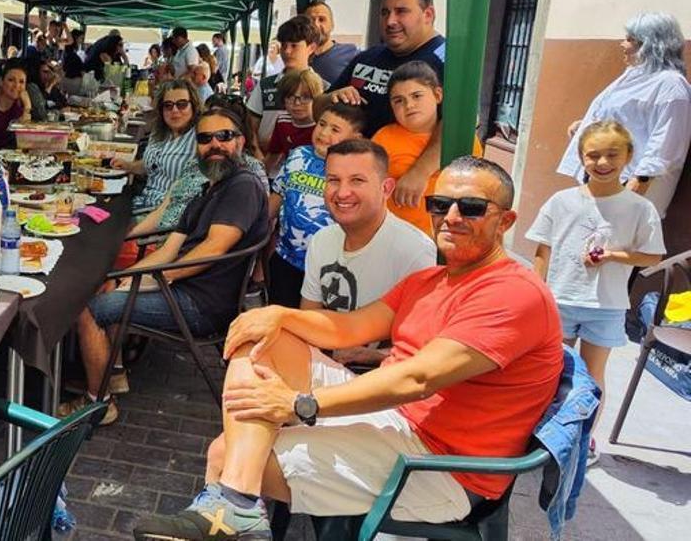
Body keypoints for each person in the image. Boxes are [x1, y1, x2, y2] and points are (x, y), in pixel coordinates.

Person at [134, 156, 563, 540]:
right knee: (261, 335)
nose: (450, 217)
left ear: (505, 221)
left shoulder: (513, 293)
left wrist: (301, 405)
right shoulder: (432, 279)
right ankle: (239, 510)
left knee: (228, 453)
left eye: (469, 207)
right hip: (399, 422)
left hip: (442, 465)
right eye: (439, 204)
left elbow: (418, 378)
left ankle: (236, 509)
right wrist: (278, 316)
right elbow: (348, 328)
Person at [59, 107, 270, 424]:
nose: (214, 144)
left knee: (90, 310)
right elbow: (171, 247)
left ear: (240, 141)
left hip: (202, 306)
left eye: (223, 136)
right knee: (107, 284)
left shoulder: (242, 186)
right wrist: (130, 278)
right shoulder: (206, 188)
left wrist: (156, 279)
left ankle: (99, 404)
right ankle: (112, 373)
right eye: (204, 138)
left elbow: (213, 248)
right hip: (186, 291)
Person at [529, 121, 663, 461]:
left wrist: (614, 256)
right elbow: (542, 250)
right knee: (549, 371)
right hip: (559, 300)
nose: (602, 162)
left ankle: (583, 437)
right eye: (593, 155)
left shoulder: (639, 208)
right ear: (581, 158)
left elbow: (652, 254)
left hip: (606, 305)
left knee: (591, 376)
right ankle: (541, 430)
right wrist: (538, 292)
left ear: (629, 156)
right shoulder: (561, 201)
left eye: (612, 154)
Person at [301, 139, 436, 367]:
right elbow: (308, 320)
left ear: (386, 189)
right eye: (333, 180)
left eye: (357, 181)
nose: (342, 193)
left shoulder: (415, 251)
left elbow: (428, 346)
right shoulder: (321, 241)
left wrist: (374, 356)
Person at [323, 0, 446, 213]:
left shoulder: (446, 60)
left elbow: (459, 121)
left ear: (428, 14)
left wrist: (420, 170)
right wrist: (331, 98)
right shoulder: (368, 56)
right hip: (352, 186)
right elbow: (319, 106)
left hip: (404, 200)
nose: (390, 21)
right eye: (385, 12)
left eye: (401, 12)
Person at [557, 12, 691, 218]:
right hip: (606, 179)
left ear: (651, 45)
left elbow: (665, 146)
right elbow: (625, 118)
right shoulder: (635, 75)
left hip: (631, 187)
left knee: (618, 247)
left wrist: (633, 189)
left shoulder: (671, 86)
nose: (623, 44)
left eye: (630, 40)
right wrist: (585, 126)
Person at [268, 103, 365, 307]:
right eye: (321, 124)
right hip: (286, 258)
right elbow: (277, 196)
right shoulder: (297, 155)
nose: (323, 132)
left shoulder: (355, 171)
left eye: (335, 129)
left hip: (332, 266)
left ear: (356, 138)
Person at [131, 95, 268, 238]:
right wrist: (130, 236)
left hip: (173, 245)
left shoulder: (251, 173)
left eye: (223, 134)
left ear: (239, 136)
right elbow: (165, 208)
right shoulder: (197, 164)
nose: (214, 142)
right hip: (157, 237)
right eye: (206, 135)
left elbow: (253, 227)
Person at [374, 61, 482, 236]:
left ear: (438, 95)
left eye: (417, 96)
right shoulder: (384, 139)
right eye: (398, 101)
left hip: (446, 240)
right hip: (393, 237)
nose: (409, 105)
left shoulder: (465, 140)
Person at [112, 79, 200, 215]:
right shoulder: (160, 132)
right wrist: (128, 166)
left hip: (165, 216)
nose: (175, 110)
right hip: (142, 202)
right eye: (168, 105)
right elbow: (152, 165)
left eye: (182, 104)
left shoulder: (200, 138)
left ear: (193, 106)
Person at [246, 16, 320, 157]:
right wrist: (259, 157)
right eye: (284, 45)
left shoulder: (322, 87)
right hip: (265, 166)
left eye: (294, 45)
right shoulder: (265, 85)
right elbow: (250, 126)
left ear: (311, 48)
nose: (287, 51)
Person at [263, 68, 325, 174]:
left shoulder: (324, 126)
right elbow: (273, 155)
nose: (297, 103)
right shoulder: (282, 121)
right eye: (290, 97)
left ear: (317, 98)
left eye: (305, 97)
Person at [304, 0, 360, 88]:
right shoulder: (296, 55)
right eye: (310, 20)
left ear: (332, 24)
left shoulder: (351, 53)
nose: (316, 25)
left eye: (322, 19)